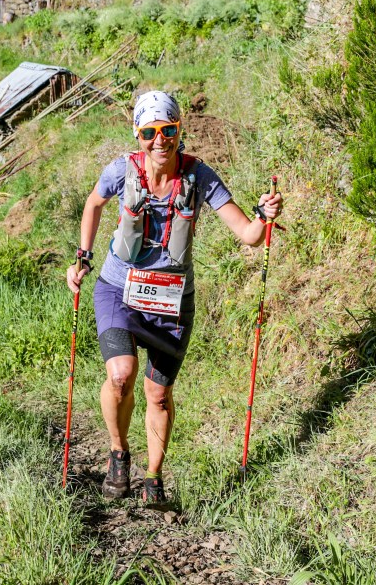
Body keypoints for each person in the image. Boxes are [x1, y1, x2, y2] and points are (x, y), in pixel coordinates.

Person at [66, 91, 283, 504]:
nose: (159, 139)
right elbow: (94, 204)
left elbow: (250, 236)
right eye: (150, 132)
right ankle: (118, 452)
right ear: (138, 134)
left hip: (171, 302)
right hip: (119, 288)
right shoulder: (122, 169)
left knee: (158, 394)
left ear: (179, 129)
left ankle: (153, 477)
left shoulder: (199, 176)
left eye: (167, 130)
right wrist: (82, 257)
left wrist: (264, 214)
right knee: (120, 376)